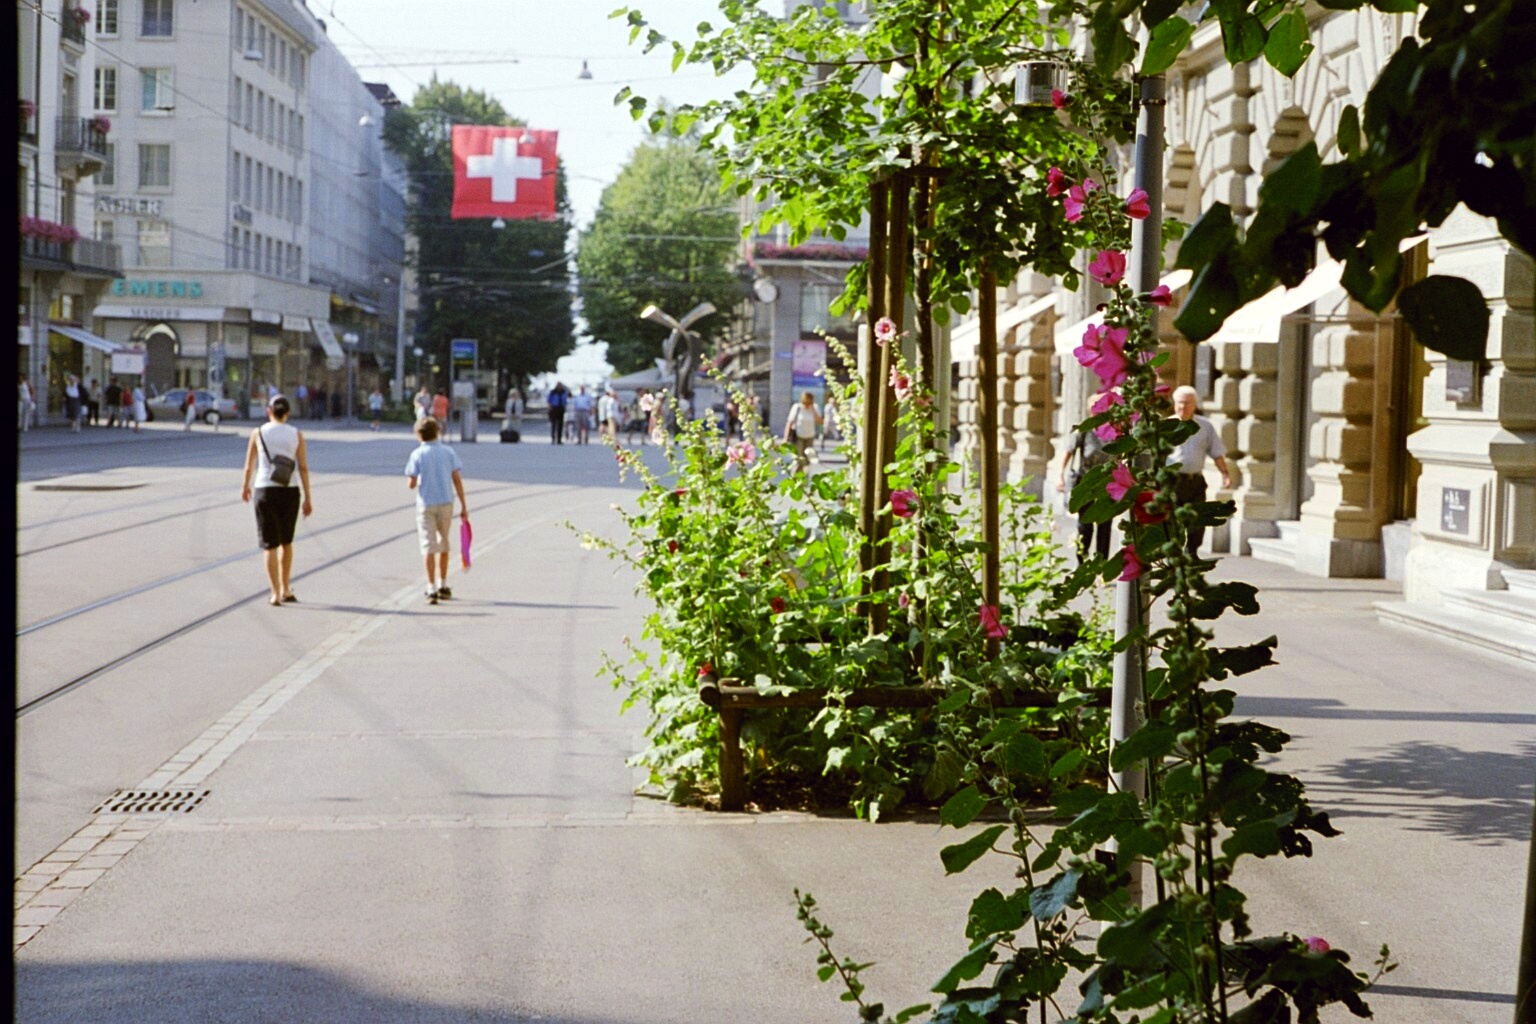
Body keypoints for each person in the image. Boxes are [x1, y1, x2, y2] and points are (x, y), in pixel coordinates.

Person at [240, 394, 312, 606]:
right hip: (290, 490)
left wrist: (245, 486)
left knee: (269, 545)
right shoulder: (296, 434)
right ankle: (286, 587)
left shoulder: (258, 433)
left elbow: (249, 464)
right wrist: (308, 497)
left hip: (264, 490)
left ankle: (274, 593)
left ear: (269, 411)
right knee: (286, 542)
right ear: (288, 413)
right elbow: (304, 467)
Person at [404, 415, 469, 605]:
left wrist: (415, 479)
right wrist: (464, 505)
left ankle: (430, 587)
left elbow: (411, 482)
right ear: (437, 432)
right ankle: (443, 583)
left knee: (428, 544)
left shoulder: (417, 454)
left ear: (419, 435)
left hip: (426, 504)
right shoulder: (448, 452)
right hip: (446, 502)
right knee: (444, 542)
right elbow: (456, 479)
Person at [1168, 385, 1232, 557]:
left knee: (1197, 520)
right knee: (1172, 520)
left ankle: (1192, 552)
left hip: (1194, 481)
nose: (1183, 407)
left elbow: (1216, 452)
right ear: (1174, 404)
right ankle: (1173, 555)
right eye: (1180, 403)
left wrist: (1225, 473)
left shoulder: (1205, 427)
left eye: (1187, 403)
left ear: (1195, 405)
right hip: (1171, 482)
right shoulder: (1165, 426)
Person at [1056, 426, 1115, 563]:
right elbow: (1068, 451)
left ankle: (1101, 565)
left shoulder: (1116, 429)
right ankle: (1082, 562)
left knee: (1105, 525)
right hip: (1086, 482)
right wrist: (1060, 475)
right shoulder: (1085, 430)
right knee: (1085, 524)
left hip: (1108, 482)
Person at [783, 391, 822, 472]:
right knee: (799, 458)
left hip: (810, 436)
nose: (807, 405)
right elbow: (789, 422)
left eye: (809, 403)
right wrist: (786, 438)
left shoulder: (814, 407)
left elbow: (819, 421)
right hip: (798, 436)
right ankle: (796, 477)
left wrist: (813, 410)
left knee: (807, 459)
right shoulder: (797, 407)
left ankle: (803, 477)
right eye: (806, 403)